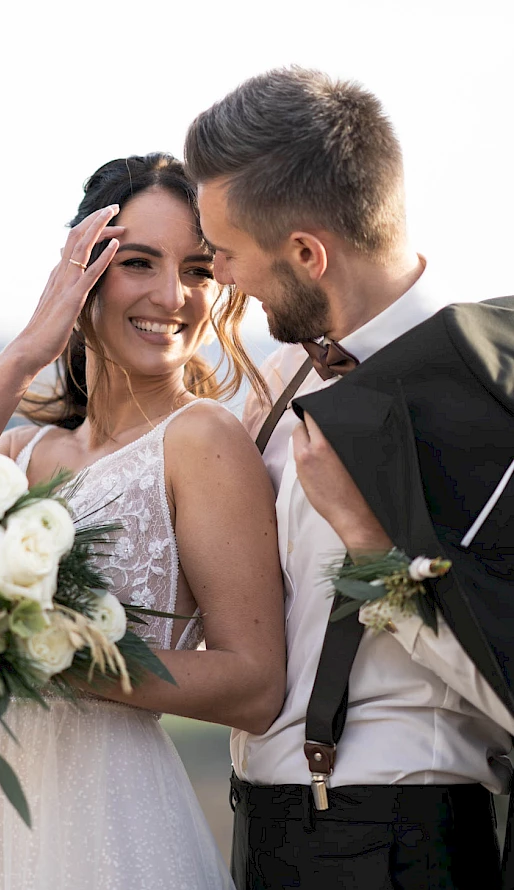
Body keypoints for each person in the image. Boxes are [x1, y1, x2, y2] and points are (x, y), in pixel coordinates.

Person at [0, 152, 286, 890]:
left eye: (200, 269)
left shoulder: (202, 438)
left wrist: (49, 655)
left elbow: (254, 684)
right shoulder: (18, 450)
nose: (172, 294)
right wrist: (24, 351)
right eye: (138, 262)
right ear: (83, 276)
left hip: (113, 817)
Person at [184, 68, 514, 889]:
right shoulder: (274, 376)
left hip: (402, 844)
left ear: (305, 253)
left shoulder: (488, 399)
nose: (219, 276)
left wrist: (370, 542)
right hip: (260, 830)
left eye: (223, 252)